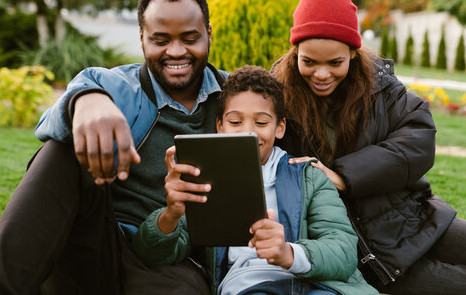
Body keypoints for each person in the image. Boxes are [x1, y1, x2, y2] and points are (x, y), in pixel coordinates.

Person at [271, 0, 466, 295]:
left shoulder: (379, 86)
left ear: (352, 52)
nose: (321, 74)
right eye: (309, 61)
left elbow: (418, 137)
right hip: (367, 253)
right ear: (295, 53)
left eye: (335, 63)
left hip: (413, 218)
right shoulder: (277, 98)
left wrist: (345, 176)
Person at [0, 0, 229, 294]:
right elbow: (47, 125)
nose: (176, 52)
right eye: (160, 40)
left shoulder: (233, 95)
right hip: (96, 242)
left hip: (171, 258)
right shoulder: (116, 85)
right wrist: (86, 101)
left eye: (189, 38)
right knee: (64, 147)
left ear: (209, 34)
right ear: (142, 39)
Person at [131, 65, 378, 295]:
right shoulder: (203, 177)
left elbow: (344, 252)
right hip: (250, 284)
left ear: (279, 128)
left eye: (261, 122)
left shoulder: (308, 176)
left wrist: (288, 253)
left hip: (316, 283)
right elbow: (152, 254)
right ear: (220, 125)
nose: (248, 131)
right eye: (235, 121)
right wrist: (172, 214)